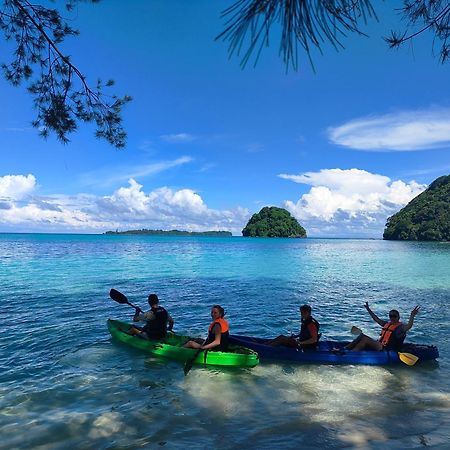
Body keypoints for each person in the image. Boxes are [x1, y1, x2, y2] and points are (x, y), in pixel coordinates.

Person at [345, 302, 420, 351]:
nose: (392, 318)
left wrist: (412, 315)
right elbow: (376, 319)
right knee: (362, 339)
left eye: (394, 316)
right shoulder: (387, 324)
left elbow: (409, 326)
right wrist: (368, 309)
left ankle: (348, 352)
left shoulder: (401, 327)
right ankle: (349, 350)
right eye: (391, 316)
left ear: (398, 317)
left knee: (364, 338)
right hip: (380, 345)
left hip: (387, 349)